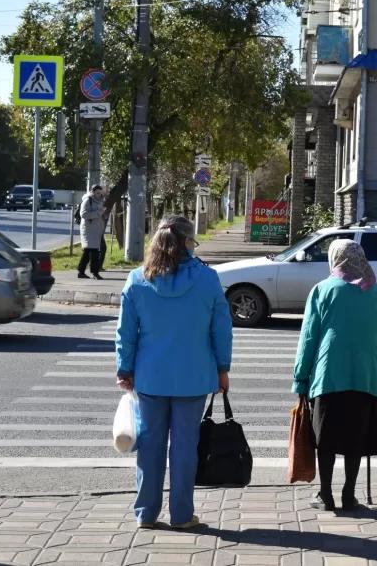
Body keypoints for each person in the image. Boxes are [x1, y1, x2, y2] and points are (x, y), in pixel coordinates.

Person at [115, 215, 232, 530]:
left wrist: (124, 369)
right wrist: (223, 369)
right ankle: (181, 515)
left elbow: (126, 333)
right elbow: (221, 330)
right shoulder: (207, 279)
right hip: (193, 378)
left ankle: (146, 514)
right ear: (187, 242)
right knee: (184, 449)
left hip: (150, 377)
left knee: (150, 447)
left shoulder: (138, 279)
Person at [292, 239, 377, 511]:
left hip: (328, 377)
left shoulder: (322, 290)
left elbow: (308, 339)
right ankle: (349, 495)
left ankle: (325, 494)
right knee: (356, 438)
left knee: (325, 439)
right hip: (365, 377)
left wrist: (300, 378)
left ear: (334, 259)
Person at [78, 185, 106, 280]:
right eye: (97, 193)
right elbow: (83, 214)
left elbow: (99, 213)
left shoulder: (100, 201)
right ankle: (95, 273)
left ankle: (81, 272)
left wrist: (102, 214)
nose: (99, 194)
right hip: (88, 230)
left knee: (87, 252)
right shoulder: (87, 200)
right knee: (94, 252)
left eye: (100, 193)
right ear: (93, 192)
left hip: (96, 229)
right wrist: (99, 212)